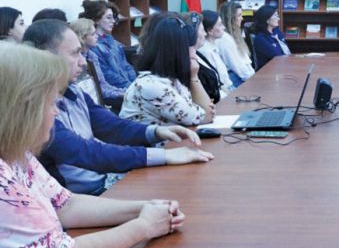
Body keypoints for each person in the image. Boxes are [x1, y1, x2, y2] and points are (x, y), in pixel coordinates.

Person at [0, 41, 187, 248]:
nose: (55, 112)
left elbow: (66, 205)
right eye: (49, 103)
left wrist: (145, 208)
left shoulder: (18, 154)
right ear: (21, 109)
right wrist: (145, 226)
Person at [23, 20, 214, 195]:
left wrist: (156, 131)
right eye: (75, 53)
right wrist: (164, 155)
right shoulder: (34, 109)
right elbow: (86, 152)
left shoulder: (73, 91)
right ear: (46, 58)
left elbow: (112, 126)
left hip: (103, 184)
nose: (83, 62)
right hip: (83, 197)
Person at [120, 17, 214, 126]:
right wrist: (193, 77)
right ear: (177, 52)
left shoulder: (172, 79)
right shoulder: (153, 86)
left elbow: (206, 112)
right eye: (191, 47)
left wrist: (194, 78)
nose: (195, 54)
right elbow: (206, 116)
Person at [70, 18, 128, 109]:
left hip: (100, 96)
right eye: (93, 34)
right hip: (89, 102)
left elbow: (103, 84)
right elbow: (98, 90)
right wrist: (122, 94)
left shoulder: (92, 55)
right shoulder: (76, 60)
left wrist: (125, 92)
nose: (97, 36)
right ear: (82, 37)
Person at [80, 0, 137, 89]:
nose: (113, 21)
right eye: (109, 18)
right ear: (97, 20)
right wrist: (131, 87)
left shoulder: (112, 40)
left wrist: (135, 83)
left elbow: (126, 65)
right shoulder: (93, 46)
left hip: (129, 87)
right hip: (117, 90)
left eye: (113, 17)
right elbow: (108, 75)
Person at [217, 1, 255, 87]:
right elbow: (237, 66)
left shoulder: (236, 33)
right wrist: (253, 79)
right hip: (234, 77)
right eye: (239, 15)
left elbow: (245, 61)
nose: (242, 18)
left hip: (244, 75)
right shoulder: (224, 38)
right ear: (230, 18)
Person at [199, 10, 234, 92]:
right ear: (210, 31)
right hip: (223, 91)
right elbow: (217, 82)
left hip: (228, 86)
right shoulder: (206, 51)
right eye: (220, 25)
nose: (224, 28)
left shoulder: (213, 46)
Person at [252, 6, 291, 70]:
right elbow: (277, 56)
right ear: (267, 19)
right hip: (269, 71)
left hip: (283, 66)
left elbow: (286, 51)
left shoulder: (277, 32)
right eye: (275, 16)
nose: (278, 19)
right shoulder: (260, 39)